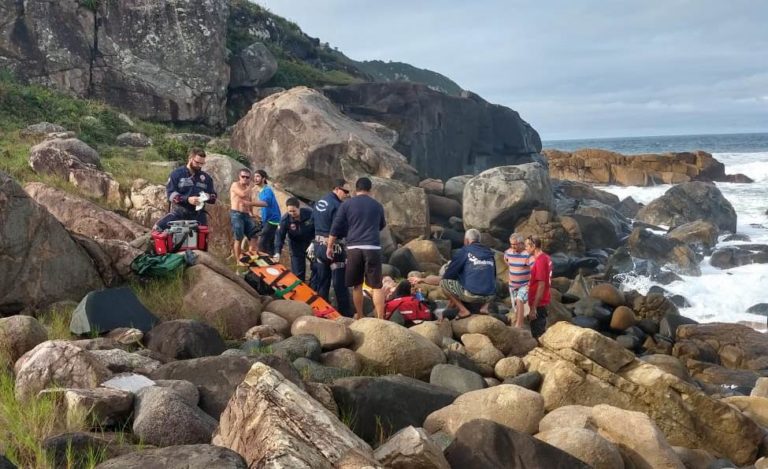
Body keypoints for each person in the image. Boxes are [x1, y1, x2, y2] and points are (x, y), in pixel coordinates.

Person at [327, 177, 386, 320]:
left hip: (354, 247)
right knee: (376, 286)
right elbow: (381, 225)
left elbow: (336, 227)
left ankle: (359, 315)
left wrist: (329, 246)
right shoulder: (377, 206)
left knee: (357, 285)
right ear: (370, 190)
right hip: (372, 246)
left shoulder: (347, 204)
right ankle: (381, 319)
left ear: (355, 189)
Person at [311, 179, 352, 317]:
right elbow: (339, 227)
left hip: (318, 245)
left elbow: (312, 221)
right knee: (340, 283)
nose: (347, 195)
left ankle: (321, 312)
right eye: (345, 191)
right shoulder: (338, 206)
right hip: (334, 247)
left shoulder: (319, 202)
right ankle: (345, 315)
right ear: (337, 189)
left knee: (322, 282)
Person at [154, 148, 217, 231]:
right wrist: (187, 199)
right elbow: (171, 194)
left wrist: (208, 196)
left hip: (199, 216)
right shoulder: (176, 174)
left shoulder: (206, 178)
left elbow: (213, 197)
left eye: (202, 163)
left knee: (202, 238)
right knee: (158, 229)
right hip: (179, 214)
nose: (199, 166)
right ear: (190, 159)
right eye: (197, 162)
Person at [440, 228, 497, 319]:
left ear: (466, 241)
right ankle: (485, 307)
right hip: (490, 296)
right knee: (494, 281)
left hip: (471, 295)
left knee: (444, 282)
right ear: (479, 240)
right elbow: (493, 275)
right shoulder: (490, 253)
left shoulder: (464, 251)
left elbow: (448, 275)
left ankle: (463, 310)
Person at [274, 197, 315, 281]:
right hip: (296, 246)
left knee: (316, 267)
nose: (292, 213)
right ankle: (300, 287)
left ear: (299, 208)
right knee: (298, 272)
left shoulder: (309, 213)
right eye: (290, 211)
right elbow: (279, 237)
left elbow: (318, 228)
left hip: (310, 244)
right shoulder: (285, 220)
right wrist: (277, 252)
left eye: (294, 211)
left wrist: (314, 242)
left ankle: (313, 286)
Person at [229, 168, 262, 264]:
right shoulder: (235, 185)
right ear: (239, 177)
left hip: (246, 215)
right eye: (243, 176)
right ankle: (238, 260)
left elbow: (249, 201)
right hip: (236, 214)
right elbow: (242, 194)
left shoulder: (248, 189)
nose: (245, 179)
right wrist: (250, 186)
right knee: (238, 237)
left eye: (247, 177)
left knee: (254, 235)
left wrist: (251, 213)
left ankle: (251, 257)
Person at [525, 234, 553, 339]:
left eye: (527, 246)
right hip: (542, 300)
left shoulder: (540, 261)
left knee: (538, 334)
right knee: (539, 331)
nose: (525, 248)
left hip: (539, 304)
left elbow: (541, 285)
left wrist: (533, 308)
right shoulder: (546, 258)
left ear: (533, 246)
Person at [504, 233, 533, 328]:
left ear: (521, 244)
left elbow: (534, 269)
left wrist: (530, 283)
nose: (513, 246)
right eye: (511, 244)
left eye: (515, 244)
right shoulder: (508, 252)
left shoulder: (527, 255)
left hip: (524, 284)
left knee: (519, 299)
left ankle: (519, 325)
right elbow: (506, 260)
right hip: (512, 285)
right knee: (515, 307)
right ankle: (518, 321)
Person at [252, 170, 281, 255]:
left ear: (263, 178)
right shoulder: (262, 191)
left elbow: (265, 203)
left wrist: (249, 203)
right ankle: (272, 260)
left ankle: (264, 261)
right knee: (269, 245)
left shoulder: (267, 190)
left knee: (262, 244)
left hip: (272, 221)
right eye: (254, 176)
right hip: (267, 221)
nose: (255, 178)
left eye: (258, 176)